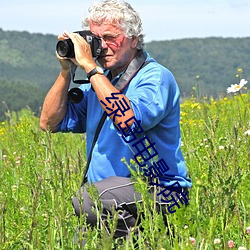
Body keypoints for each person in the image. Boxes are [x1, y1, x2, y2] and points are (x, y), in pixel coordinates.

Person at [40, 0, 192, 245]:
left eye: (110, 37)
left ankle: (148, 238)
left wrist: (90, 67)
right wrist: (66, 70)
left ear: (133, 38)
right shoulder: (99, 83)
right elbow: (49, 122)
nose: (102, 47)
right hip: (110, 199)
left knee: (88, 199)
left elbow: (129, 120)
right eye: (96, 39)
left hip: (159, 191)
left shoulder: (154, 77)